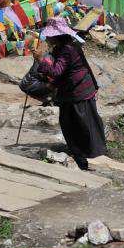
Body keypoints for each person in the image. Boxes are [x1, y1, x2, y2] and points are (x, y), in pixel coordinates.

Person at [32, 16, 106, 170]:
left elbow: (56, 71)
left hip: (78, 91)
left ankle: (85, 156)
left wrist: (40, 60)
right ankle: (80, 154)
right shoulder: (66, 47)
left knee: (79, 125)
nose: (48, 38)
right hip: (74, 89)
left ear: (57, 36)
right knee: (72, 123)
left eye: (50, 35)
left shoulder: (68, 50)